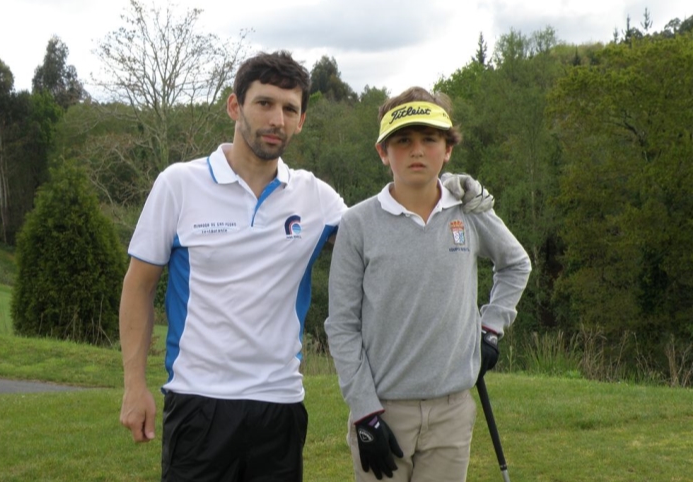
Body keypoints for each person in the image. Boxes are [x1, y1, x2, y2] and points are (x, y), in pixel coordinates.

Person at [119, 50, 493, 482]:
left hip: (279, 405)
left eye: (289, 109)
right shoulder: (179, 184)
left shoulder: (314, 197)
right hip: (198, 401)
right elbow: (139, 286)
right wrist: (134, 385)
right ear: (235, 106)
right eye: (264, 104)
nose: (276, 119)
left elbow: (390, 226)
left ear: (301, 121)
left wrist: (444, 186)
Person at [324, 86, 531, 482]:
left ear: (448, 148)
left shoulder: (468, 210)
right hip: (382, 410)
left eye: (430, 139)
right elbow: (343, 326)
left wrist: (490, 329)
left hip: (452, 410)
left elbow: (515, 264)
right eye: (403, 141)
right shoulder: (357, 223)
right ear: (383, 152)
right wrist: (365, 412)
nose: (417, 150)